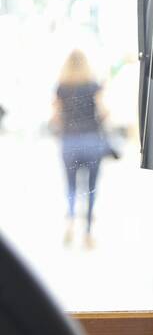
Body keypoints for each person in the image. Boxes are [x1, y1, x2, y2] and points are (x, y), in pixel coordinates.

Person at [53, 51, 110, 249]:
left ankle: (70, 221)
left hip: (69, 142)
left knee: (71, 187)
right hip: (92, 141)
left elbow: (55, 117)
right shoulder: (92, 86)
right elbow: (104, 112)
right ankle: (87, 233)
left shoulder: (61, 88)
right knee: (91, 188)